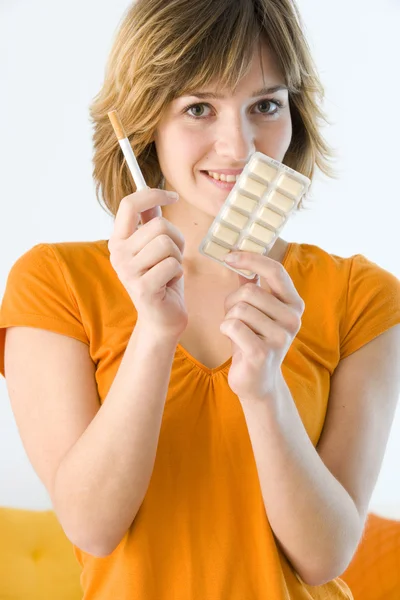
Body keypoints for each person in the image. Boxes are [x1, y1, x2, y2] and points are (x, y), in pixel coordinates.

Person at [1, 0, 400, 598]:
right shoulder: (55, 283)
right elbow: (92, 527)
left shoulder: (362, 297)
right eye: (198, 108)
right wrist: (155, 333)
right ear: (144, 124)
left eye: (265, 105)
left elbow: (324, 558)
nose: (238, 146)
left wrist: (265, 391)